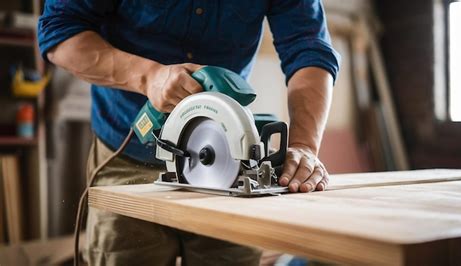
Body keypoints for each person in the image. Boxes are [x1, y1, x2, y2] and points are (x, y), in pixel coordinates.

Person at [38, 1, 340, 265]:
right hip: (127, 151)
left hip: (230, 170)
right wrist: (146, 77)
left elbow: (308, 48)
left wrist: (303, 145)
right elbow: (59, 31)